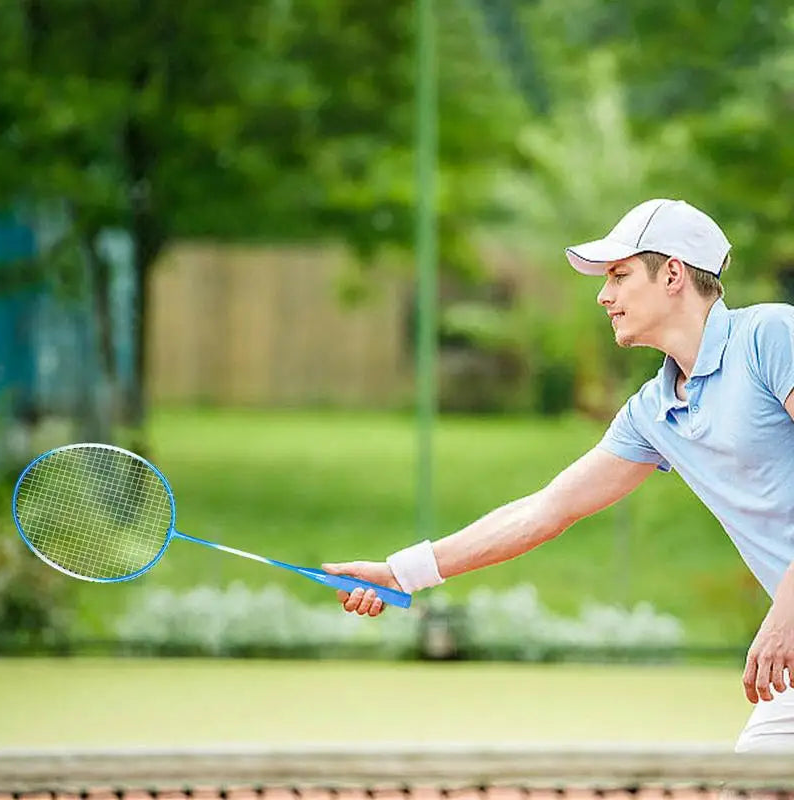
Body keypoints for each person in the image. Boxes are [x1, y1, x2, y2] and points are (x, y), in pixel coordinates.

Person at [323, 198, 794, 753]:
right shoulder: (653, 412)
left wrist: (785, 610)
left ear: (671, 274)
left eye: (619, 276)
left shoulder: (772, 336)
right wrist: (402, 574)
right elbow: (545, 510)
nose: (604, 295)